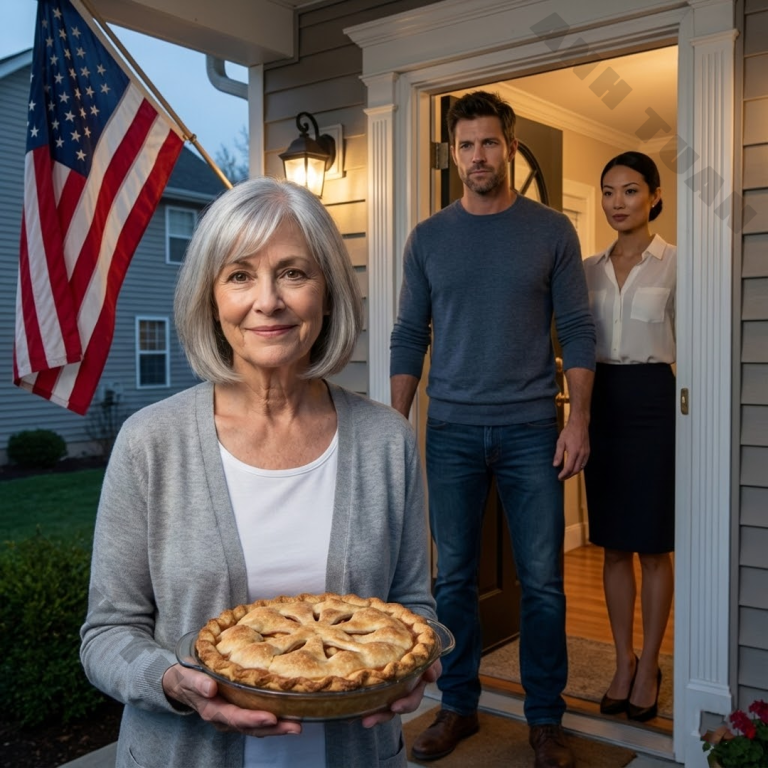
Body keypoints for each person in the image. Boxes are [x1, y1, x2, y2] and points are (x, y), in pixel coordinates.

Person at [80, 177, 438, 768]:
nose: (268, 301)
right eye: (240, 275)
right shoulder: (150, 444)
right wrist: (174, 682)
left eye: (293, 273)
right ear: (210, 298)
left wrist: (414, 669)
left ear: (328, 294)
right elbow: (107, 634)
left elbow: (412, 607)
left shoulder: (385, 441)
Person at [389, 90, 596, 768]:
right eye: (466, 145)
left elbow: (577, 329)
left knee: (542, 581)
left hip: (533, 428)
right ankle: (457, 706)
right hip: (450, 430)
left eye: (488, 142)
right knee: (452, 580)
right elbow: (408, 334)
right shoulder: (428, 238)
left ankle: (546, 720)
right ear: (454, 154)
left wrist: (579, 420)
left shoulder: (552, 231)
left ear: (508, 146)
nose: (478, 155)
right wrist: (395, 425)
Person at [582, 151, 676, 723]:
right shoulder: (587, 269)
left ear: (655, 196)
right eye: (609, 192)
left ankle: (651, 665)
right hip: (601, 403)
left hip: (656, 404)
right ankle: (623, 661)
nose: (618, 203)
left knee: (654, 546)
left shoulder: (678, 263)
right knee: (614, 544)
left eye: (631, 191)